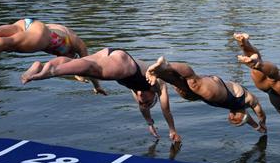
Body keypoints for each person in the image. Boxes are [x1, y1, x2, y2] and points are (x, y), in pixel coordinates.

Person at [20, 48, 180, 143]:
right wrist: (172, 130)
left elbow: (144, 110)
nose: (141, 100)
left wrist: (150, 124)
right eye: (146, 102)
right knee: (91, 68)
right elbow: (166, 110)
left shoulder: (137, 93)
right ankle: (51, 71)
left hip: (109, 53)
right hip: (124, 62)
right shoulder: (158, 86)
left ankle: (40, 66)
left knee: (83, 65)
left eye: (141, 103)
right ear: (154, 97)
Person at [0, 18, 105, 93]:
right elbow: (87, 65)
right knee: (8, 43)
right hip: (45, 37)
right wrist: (96, 86)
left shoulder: (68, 33)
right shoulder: (78, 46)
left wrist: (81, 76)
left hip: (29, 23)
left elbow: (75, 67)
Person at [146, 56, 267, 133]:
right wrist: (262, 122)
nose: (231, 117)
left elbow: (248, 119)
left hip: (209, 97)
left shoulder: (240, 109)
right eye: (235, 118)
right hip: (223, 91)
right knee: (194, 83)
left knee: (182, 89)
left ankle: (159, 73)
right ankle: (167, 65)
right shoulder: (249, 99)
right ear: (244, 114)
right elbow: (259, 113)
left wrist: (257, 128)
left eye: (232, 118)